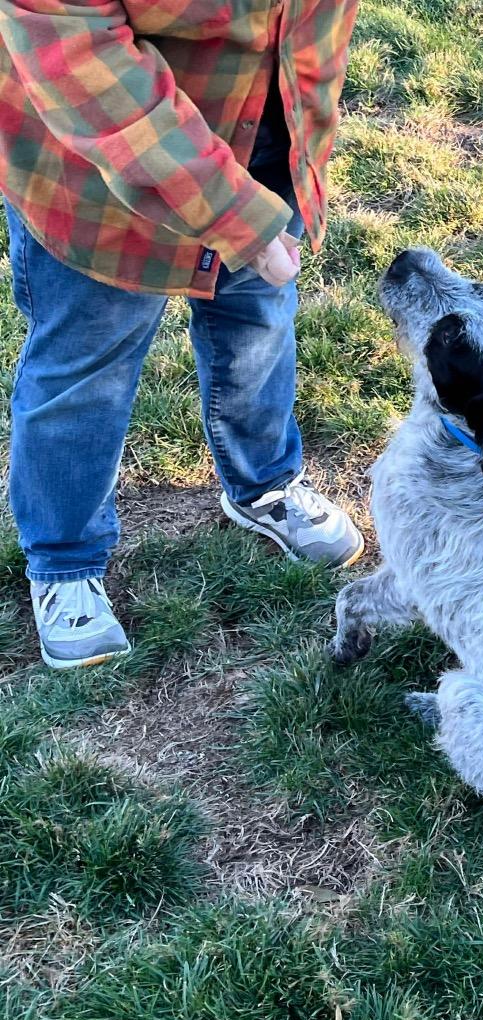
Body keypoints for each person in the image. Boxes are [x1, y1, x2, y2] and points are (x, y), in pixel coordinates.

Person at [0, 0, 363, 669]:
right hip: (93, 166)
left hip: (267, 133)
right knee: (87, 363)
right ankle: (63, 558)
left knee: (259, 320)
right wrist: (234, 215)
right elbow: (78, 53)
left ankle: (265, 485)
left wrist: (298, 156)